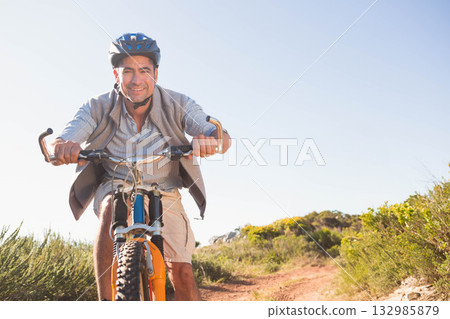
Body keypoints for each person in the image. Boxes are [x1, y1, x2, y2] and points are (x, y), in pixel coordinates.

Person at [51, 33, 231, 301]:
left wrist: (211, 141)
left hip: (165, 189)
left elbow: (220, 136)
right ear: (116, 74)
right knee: (111, 206)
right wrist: (61, 148)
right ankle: (106, 302)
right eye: (128, 71)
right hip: (115, 182)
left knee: (182, 273)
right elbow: (62, 141)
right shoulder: (96, 107)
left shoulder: (179, 103)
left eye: (144, 70)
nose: (136, 80)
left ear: (155, 74)